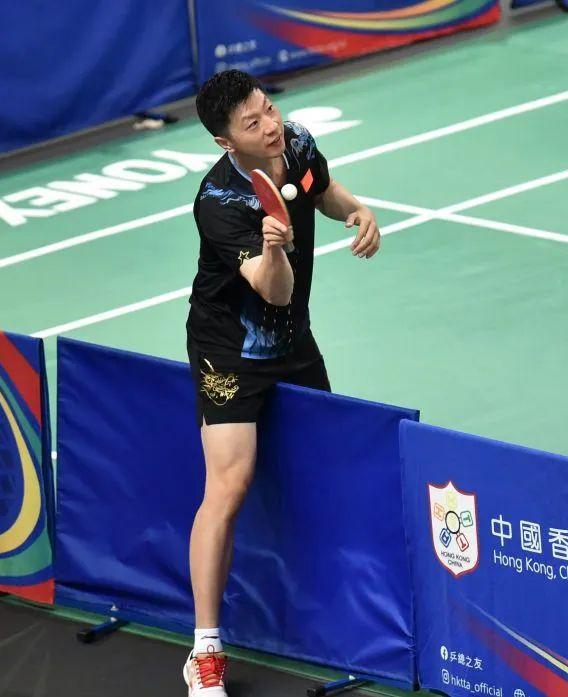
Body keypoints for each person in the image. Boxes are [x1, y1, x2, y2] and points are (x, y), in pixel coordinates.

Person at [183, 69, 380, 696]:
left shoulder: (294, 141)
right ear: (225, 142)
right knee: (230, 484)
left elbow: (320, 188)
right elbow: (274, 290)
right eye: (253, 123)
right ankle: (205, 649)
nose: (271, 125)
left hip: (292, 341)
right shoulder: (219, 203)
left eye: (268, 108)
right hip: (229, 352)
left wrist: (356, 210)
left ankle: (339, 609)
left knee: (327, 465)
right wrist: (276, 247)